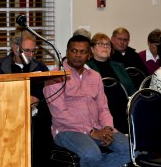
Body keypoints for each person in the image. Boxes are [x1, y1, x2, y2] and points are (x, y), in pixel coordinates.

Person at [44, 35, 131, 167]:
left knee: (130, 150)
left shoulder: (95, 76)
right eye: (74, 51)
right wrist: (91, 131)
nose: (78, 55)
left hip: (97, 127)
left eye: (83, 52)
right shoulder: (55, 77)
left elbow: (103, 107)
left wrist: (107, 128)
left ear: (89, 55)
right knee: (92, 154)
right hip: (67, 130)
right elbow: (60, 115)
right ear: (67, 53)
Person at [0, 31, 52, 167]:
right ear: (15, 48)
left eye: (33, 51)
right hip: (9, 116)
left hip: (35, 117)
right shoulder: (0, 67)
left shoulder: (40, 67)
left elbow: (44, 92)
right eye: (27, 51)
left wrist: (36, 98)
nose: (30, 55)